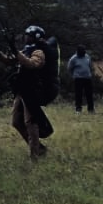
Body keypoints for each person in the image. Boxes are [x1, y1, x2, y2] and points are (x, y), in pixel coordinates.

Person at [10, 24, 57, 159]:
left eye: (29, 36)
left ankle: (35, 153)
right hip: (21, 89)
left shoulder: (38, 52)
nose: (26, 38)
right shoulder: (26, 50)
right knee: (16, 122)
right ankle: (40, 149)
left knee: (30, 122)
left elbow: (31, 64)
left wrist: (17, 52)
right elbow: (10, 60)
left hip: (31, 91)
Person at [67, 46, 96, 113]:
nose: (83, 53)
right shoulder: (73, 59)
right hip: (78, 79)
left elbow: (90, 66)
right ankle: (78, 109)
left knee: (89, 94)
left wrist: (90, 73)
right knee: (78, 94)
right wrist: (74, 75)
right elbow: (69, 68)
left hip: (87, 78)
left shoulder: (87, 56)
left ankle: (91, 109)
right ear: (78, 52)